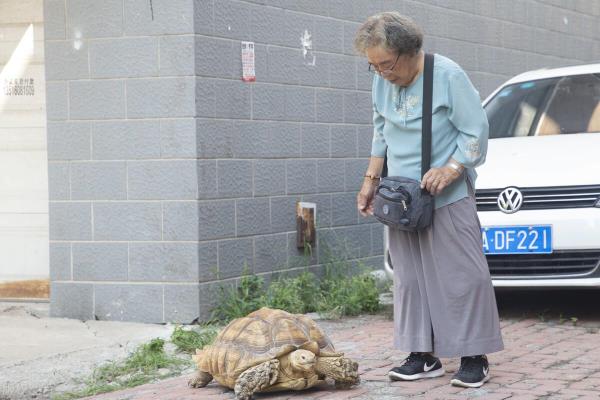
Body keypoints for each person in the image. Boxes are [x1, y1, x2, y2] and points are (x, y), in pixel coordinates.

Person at [354, 12, 504, 388]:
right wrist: (370, 180)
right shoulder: (381, 81)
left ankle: (473, 355)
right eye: (373, 67)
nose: (381, 73)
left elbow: (476, 130)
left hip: (446, 194)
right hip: (401, 197)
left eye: (386, 64)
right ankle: (422, 355)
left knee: (462, 276)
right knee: (409, 278)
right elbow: (380, 130)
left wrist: (452, 168)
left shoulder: (447, 75)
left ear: (409, 52)